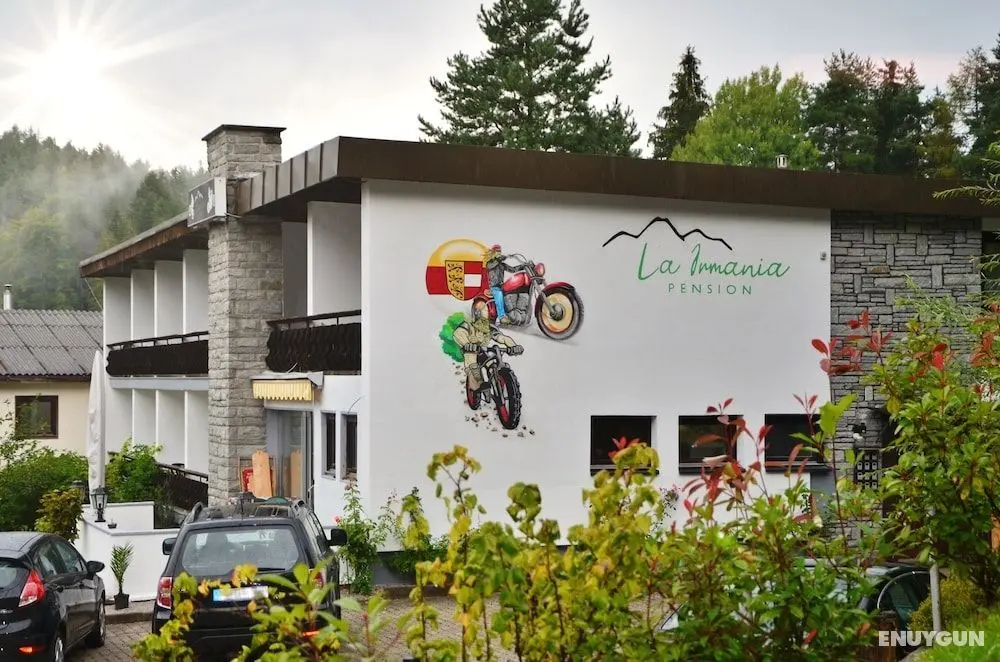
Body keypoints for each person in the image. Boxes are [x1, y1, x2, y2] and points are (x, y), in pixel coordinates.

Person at [452, 312, 524, 393]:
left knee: (492, 362)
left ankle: (497, 383)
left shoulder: (490, 328)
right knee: (471, 357)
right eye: (479, 331)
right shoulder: (468, 325)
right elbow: (458, 333)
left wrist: (513, 346)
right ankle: (476, 383)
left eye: (484, 333)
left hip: (483, 351)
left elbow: (502, 338)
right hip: (470, 351)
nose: (482, 334)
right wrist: (467, 344)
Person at [484, 244, 513, 324]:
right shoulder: (489, 263)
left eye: (499, 251)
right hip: (494, 287)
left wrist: (523, 266)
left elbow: (512, 269)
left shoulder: (502, 264)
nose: (499, 252)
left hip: (502, 286)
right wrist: (499, 260)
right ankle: (501, 317)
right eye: (497, 251)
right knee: (499, 294)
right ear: (493, 252)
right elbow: (490, 266)